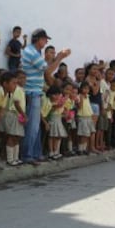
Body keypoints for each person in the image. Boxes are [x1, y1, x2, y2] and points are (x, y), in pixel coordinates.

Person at [21, 28, 70, 165]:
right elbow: (47, 70)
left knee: (35, 126)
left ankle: (35, 153)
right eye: (44, 39)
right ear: (38, 39)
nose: (46, 41)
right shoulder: (31, 52)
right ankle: (27, 155)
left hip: (36, 91)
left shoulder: (34, 51)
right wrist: (60, 57)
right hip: (32, 91)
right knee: (32, 126)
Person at [1, 70, 27, 166]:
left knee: (17, 137)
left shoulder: (21, 89)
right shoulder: (17, 89)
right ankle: (10, 159)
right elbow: (16, 103)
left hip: (18, 115)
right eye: (20, 78)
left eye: (24, 78)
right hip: (13, 114)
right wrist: (24, 115)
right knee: (12, 136)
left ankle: (16, 158)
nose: (22, 80)